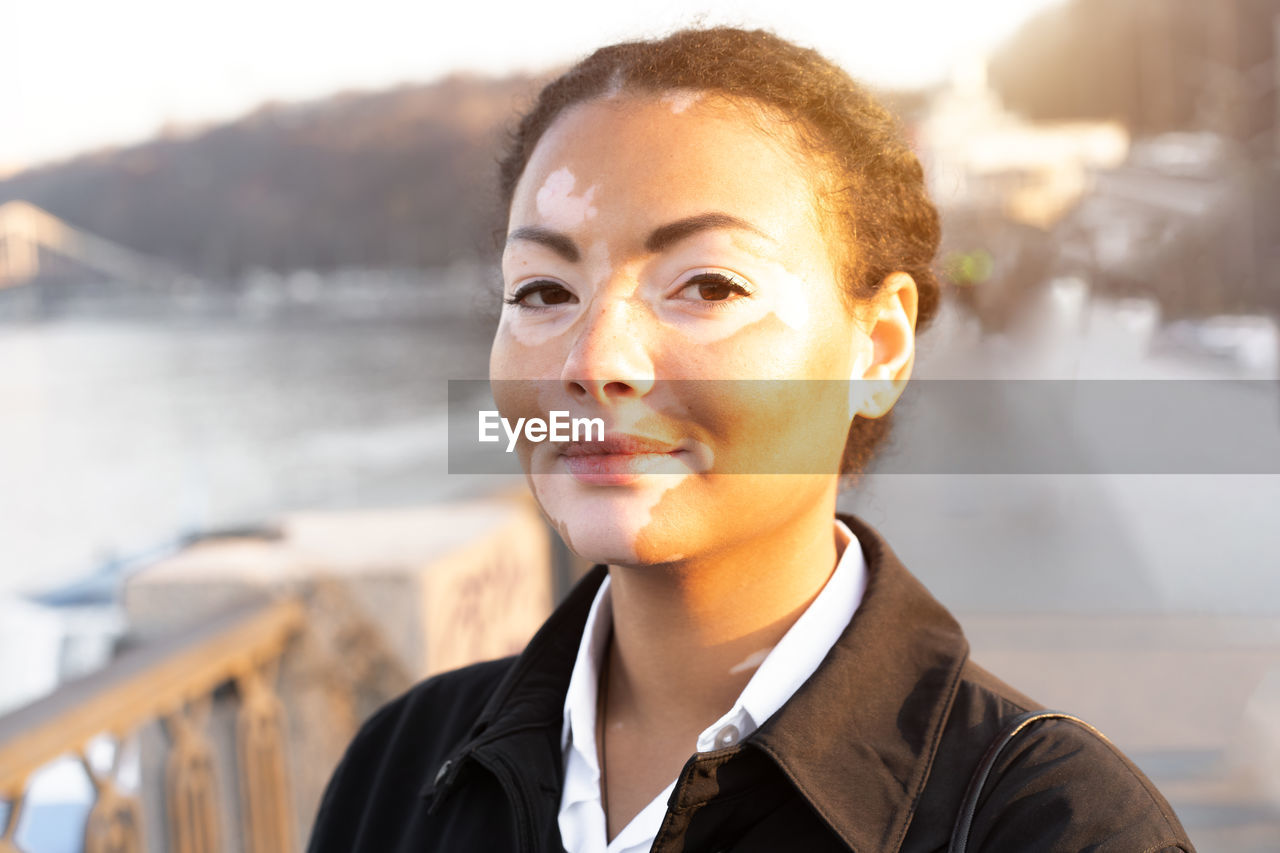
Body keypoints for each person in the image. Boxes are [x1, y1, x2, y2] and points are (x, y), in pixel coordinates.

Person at [307, 27, 1196, 852]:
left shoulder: (1051, 824)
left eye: (710, 284)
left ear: (878, 345)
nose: (595, 360)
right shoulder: (404, 768)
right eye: (542, 290)